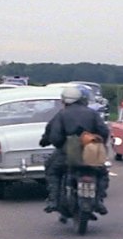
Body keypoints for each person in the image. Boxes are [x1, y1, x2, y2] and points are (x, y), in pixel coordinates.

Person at [41, 85, 110, 216]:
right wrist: (98, 145)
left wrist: (53, 143)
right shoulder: (92, 113)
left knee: (52, 170)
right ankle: (99, 200)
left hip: (67, 155)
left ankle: (53, 200)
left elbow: (54, 136)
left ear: (65, 100)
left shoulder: (62, 114)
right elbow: (104, 131)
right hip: (90, 154)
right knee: (102, 173)